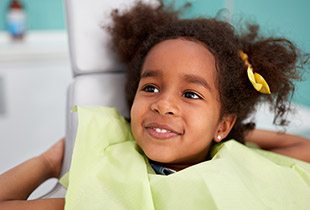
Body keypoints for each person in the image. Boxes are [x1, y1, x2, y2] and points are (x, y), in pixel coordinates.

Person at [0, 1, 310, 209]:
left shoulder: (237, 162)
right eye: (150, 87)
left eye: (190, 94)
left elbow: (303, 147)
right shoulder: (109, 179)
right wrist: (51, 161)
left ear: (223, 123)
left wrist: (235, 135)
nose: (163, 104)